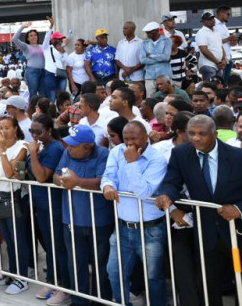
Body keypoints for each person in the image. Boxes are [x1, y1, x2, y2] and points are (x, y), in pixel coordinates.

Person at [156, 115, 242, 306]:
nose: (195, 138)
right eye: (191, 133)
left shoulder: (241, 157)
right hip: (205, 233)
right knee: (208, 287)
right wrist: (166, 195)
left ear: (215, 134)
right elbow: (171, 182)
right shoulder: (181, 154)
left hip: (238, 233)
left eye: (202, 134)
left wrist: (239, 209)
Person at [101, 120, 168, 306]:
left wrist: (131, 162)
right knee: (114, 271)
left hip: (150, 230)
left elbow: (144, 191)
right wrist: (107, 186)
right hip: (122, 226)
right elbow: (108, 174)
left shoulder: (157, 159)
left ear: (146, 138)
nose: (129, 144)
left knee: (153, 277)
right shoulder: (116, 151)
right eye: (126, 139)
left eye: (134, 139)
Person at [54, 125, 112, 306]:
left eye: (74, 145)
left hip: (99, 221)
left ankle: (100, 301)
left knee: (101, 264)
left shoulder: (103, 154)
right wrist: (62, 181)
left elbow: (103, 181)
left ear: (87, 147)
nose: (69, 148)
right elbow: (56, 175)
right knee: (76, 264)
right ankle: (79, 301)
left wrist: (77, 182)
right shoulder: (68, 153)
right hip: (71, 219)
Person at [27, 114, 69, 305]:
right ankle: (52, 280)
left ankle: (63, 285)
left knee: (57, 246)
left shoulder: (55, 149)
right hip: (40, 203)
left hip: (53, 204)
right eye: (31, 131)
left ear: (49, 131)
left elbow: (42, 176)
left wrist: (33, 154)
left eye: (38, 131)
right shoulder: (41, 146)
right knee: (50, 246)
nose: (34, 135)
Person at [0, 115, 30, 295]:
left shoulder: (22, 147)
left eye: (7, 127)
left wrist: (3, 150)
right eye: (1, 127)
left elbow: (9, 173)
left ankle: (22, 277)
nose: (3, 131)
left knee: (18, 238)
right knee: (7, 237)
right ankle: (11, 273)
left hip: (15, 196)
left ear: (15, 129)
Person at [140, 22, 173, 98]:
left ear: (157, 31)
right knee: (150, 98)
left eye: (150, 32)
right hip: (150, 76)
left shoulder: (166, 41)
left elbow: (166, 57)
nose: (148, 34)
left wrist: (151, 56)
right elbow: (143, 60)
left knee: (168, 97)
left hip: (165, 75)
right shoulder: (144, 43)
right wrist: (160, 58)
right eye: (147, 32)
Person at [13, 22, 45, 98]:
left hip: (43, 72)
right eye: (31, 36)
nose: (33, 37)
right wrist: (22, 27)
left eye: (35, 35)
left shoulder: (42, 46)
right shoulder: (26, 46)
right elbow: (14, 39)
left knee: (43, 94)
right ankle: (32, 109)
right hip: (32, 72)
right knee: (33, 94)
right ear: (28, 38)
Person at [194, 11, 226, 82]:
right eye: (208, 19)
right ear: (203, 21)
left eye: (212, 18)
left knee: (218, 87)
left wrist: (223, 59)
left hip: (218, 65)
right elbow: (204, 50)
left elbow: (221, 47)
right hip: (207, 65)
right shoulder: (201, 32)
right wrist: (217, 62)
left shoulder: (216, 32)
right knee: (210, 87)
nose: (212, 20)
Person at [215, 5, 233, 84]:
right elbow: (214, 42)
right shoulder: (214, 24)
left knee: (225, 83)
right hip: (221, 59)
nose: (229, 16)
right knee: (221, 83)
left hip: (228, 57)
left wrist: (233, 41)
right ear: (221, 13)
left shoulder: (223, 25)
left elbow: (226, 43)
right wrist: (228, 39)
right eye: (228, 14)